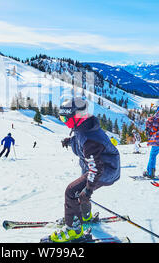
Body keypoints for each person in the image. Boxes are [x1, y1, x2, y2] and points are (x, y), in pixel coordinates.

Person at [46, 98, 120, 243]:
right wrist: (70, 141)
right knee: (80, 192)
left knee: (71, 191)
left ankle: (73, 230)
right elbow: (80, 140)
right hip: (99, 166)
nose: (63, 121)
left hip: (105, 169)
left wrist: (88, 189)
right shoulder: (84, 125)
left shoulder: (89, 139)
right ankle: (83, 216)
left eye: (64, 118)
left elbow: (96, 168)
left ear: (75, 117)